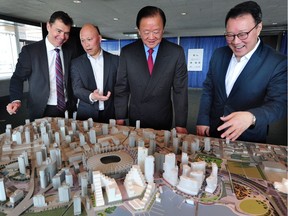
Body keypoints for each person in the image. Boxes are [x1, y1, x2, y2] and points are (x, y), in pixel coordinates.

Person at [196, 1, 287, 143]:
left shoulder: (277, 62)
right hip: (214, 131)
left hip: (248, 137)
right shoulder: (219, 54)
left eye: (243, 34)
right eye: (230, 35)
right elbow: (209, 89)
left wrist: (252, 117)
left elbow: (280, 104)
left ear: (258, 28)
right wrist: (203, 119)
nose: (236, 41)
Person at [114, 6, 188, 133]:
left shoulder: (176, 52)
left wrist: (181, 124)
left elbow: (180, 90)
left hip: (162, 116)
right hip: (137, 116)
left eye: (156, 31)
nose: (151, 37)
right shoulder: (127, 52)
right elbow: (121, 88)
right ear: (138, 30)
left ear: (163, 29)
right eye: (146, 32)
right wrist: (120, 117)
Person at [7, 11, 77, 121]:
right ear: (48, 26)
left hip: (67, 108)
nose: (62, 36)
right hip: (41, 108)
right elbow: (17, 78)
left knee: (68, 137)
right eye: (59, 31)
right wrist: (15, 100)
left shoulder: (71, 50)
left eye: (66, 33)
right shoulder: (30, 51)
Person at [71, 24, 119, 123]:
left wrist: (121, 115)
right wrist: (92, 96)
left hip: (110, 114)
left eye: (89, 39)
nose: (86, 44)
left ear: (99, 38)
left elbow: (121, 88)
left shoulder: (115, 60)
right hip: (85, 115)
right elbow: (77, 89)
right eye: (82, 40)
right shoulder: (76, 63)